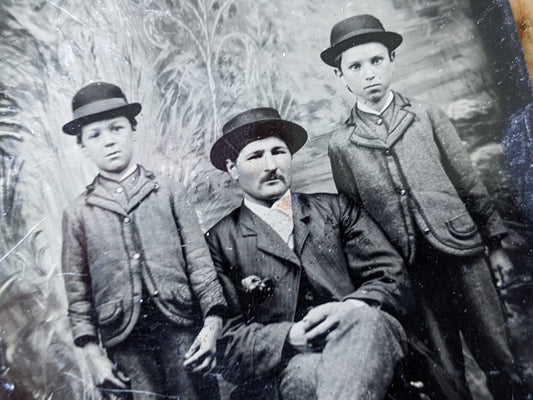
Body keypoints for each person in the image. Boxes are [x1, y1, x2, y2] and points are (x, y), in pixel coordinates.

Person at [321, 14, 526, 398]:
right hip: (412, 271)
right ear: (340, 76)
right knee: (445, 373)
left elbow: (468, 183)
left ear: (393, 61)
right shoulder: (342, 145)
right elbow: (356, 223)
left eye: (377, 61)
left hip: (464, 254)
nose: (369, 74)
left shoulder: (426, 115)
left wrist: (495, 245)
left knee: (499, 353)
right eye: (355, 66)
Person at [205, 107, 413, 400]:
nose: (271, 165)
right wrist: (289, 338)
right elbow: (226, 341)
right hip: (292, 362)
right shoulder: (218, 241)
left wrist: (350, 308)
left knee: (368, 321)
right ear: (231, 168)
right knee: (307, 374)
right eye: (255, 156)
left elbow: (392, 278)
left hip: (365, 335)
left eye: (279, 151)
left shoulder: (337, 209)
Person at [60, 82, 226, 400]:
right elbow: (77, 295)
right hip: (123, 341)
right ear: (82, 145)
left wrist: (212, 325)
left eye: (116, 128)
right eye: (95, 135)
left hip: (181, 326)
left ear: (133, 130)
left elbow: (200, 264)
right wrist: (93, 356)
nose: (108, 141)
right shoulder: (78, 213)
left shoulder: (168, 191)